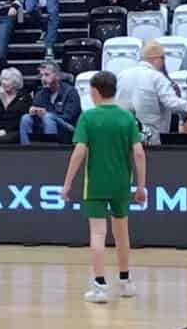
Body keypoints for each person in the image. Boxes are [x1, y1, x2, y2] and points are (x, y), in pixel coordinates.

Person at [61, 70, 146, 304]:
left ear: (95, 92)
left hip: (96, 185)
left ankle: (100, 287)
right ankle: (126, 282)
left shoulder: (88, 117)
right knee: (122, 233)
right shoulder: (127, 118)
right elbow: (139, 153)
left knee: (98, 234)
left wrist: (67, 184)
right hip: (121, 184)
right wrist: (141, 186)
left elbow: (79, 152)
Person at [116, 39, 187, 145]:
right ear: (157, 59)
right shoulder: (157, 77)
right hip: (152, 138)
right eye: (163, 59)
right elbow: (171, 102)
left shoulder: (122, 75)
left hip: (124, 137)